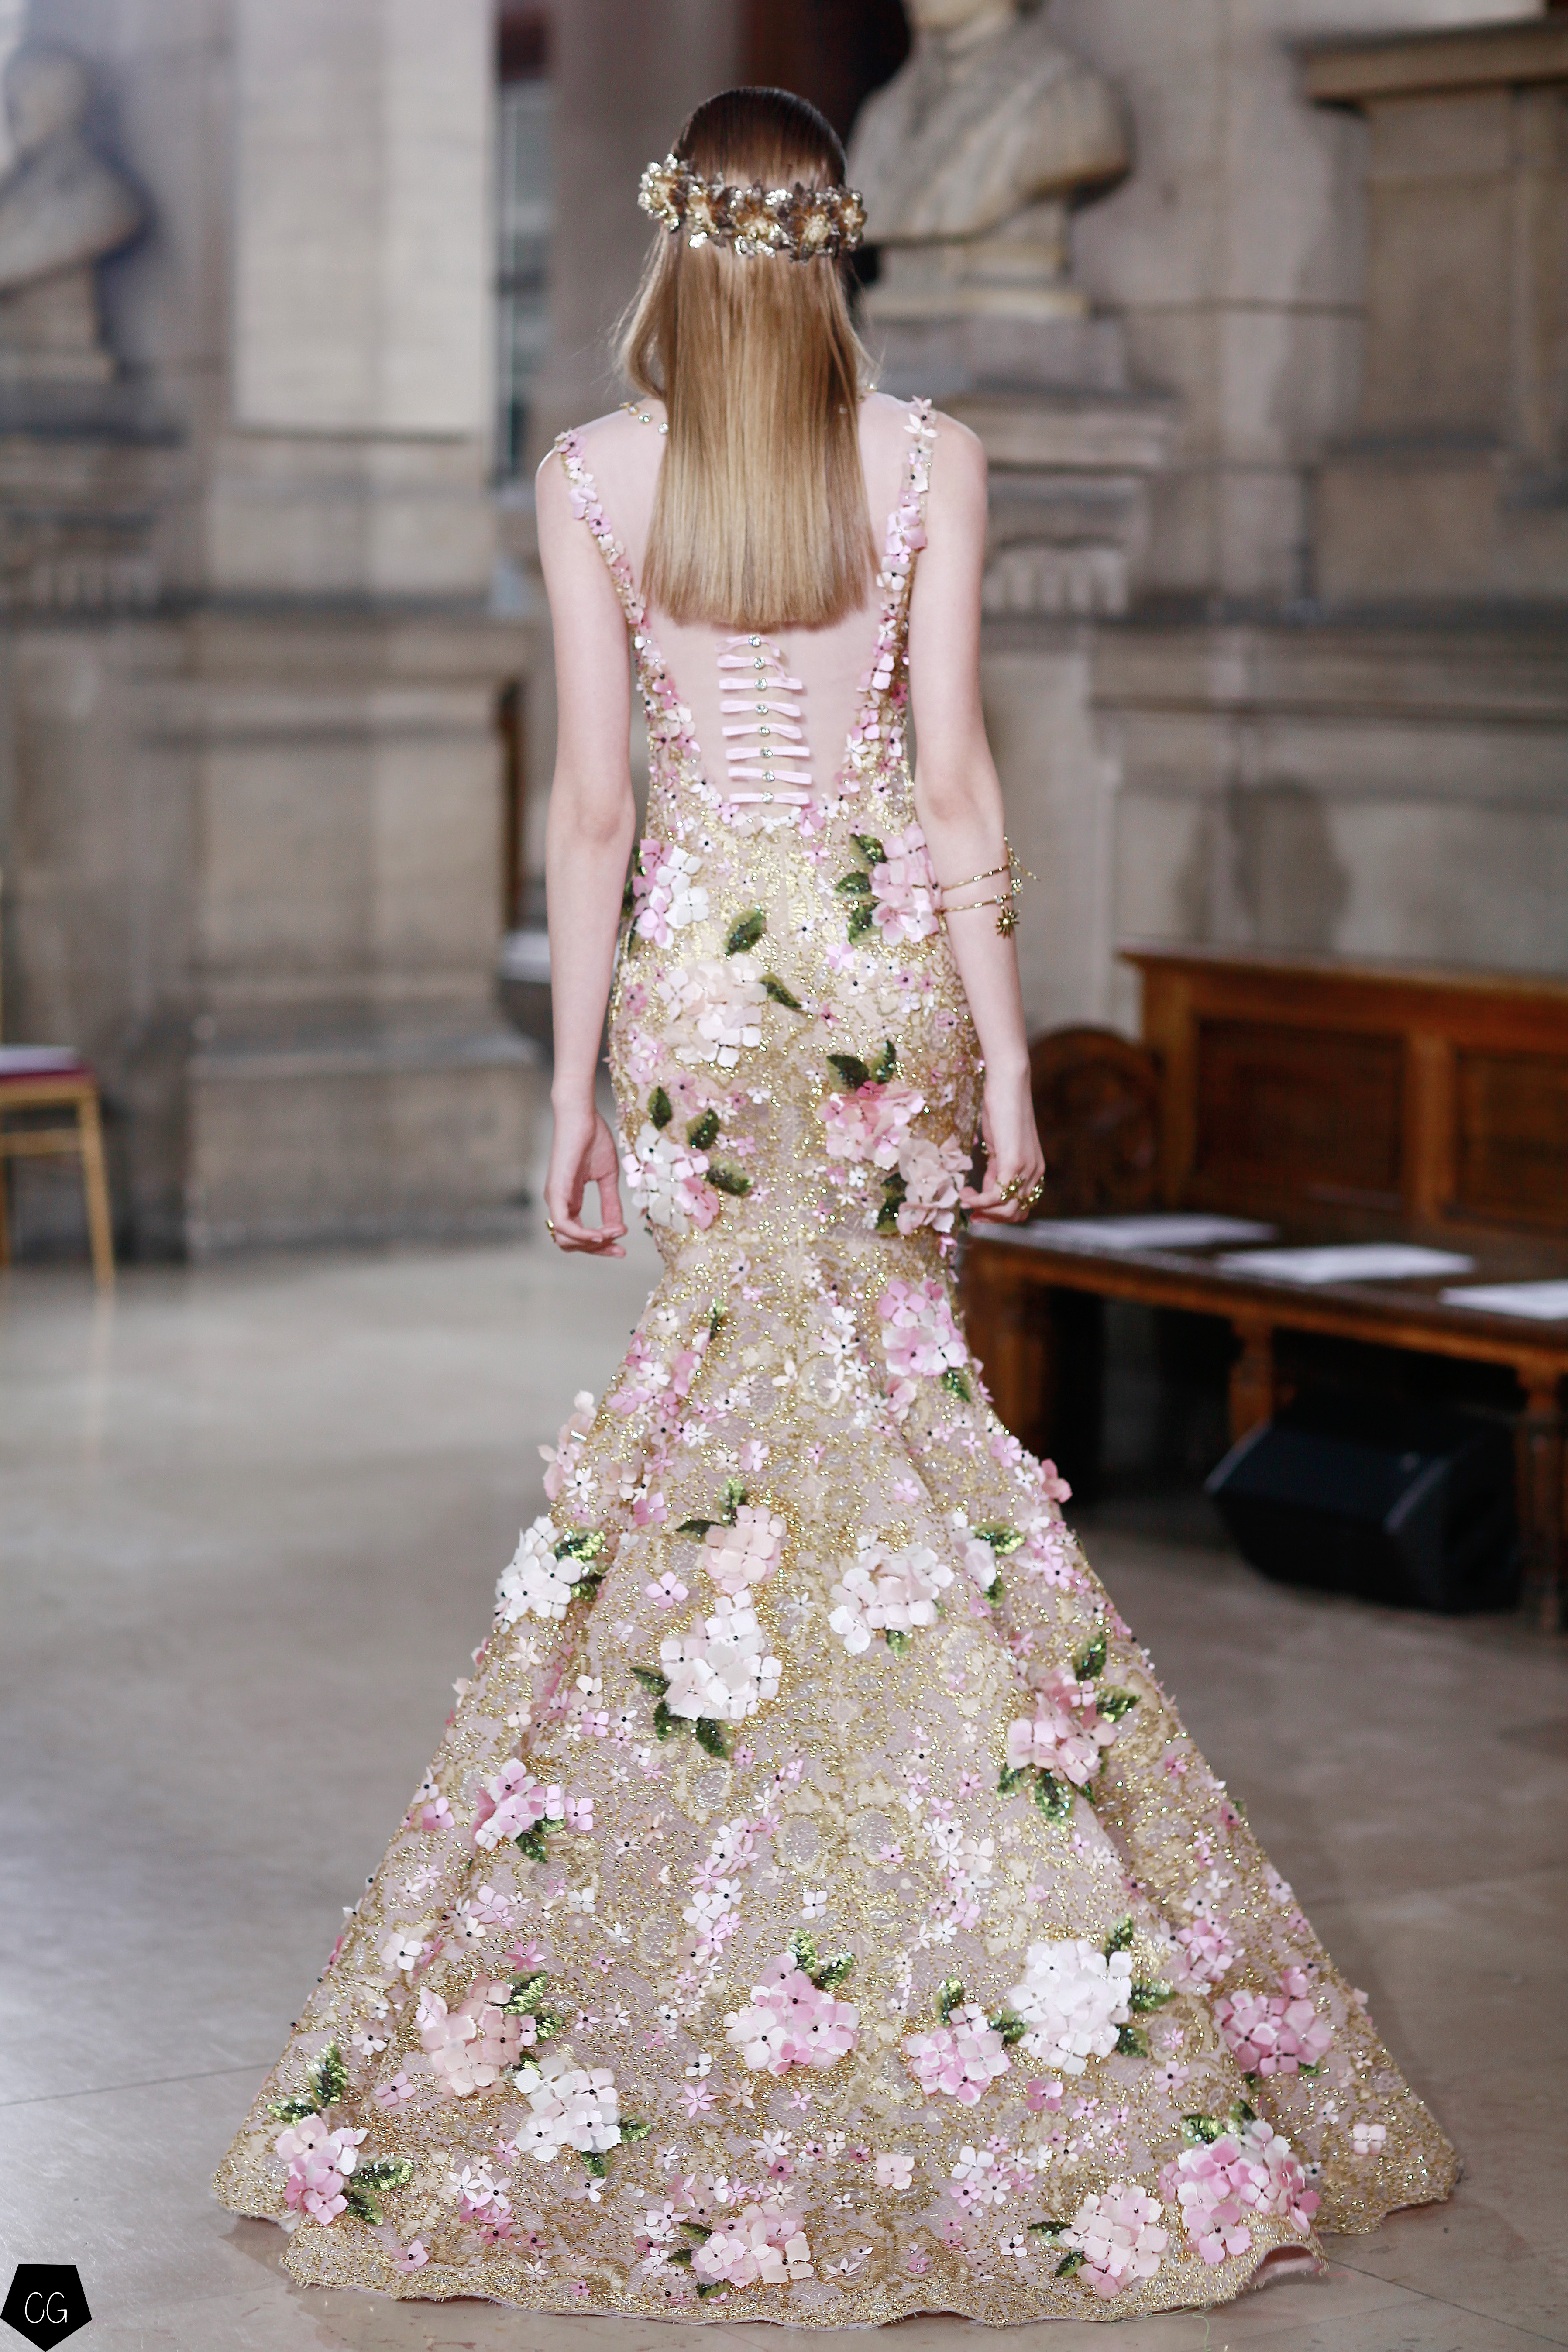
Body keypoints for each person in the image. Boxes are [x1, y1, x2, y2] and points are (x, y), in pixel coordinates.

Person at [214, 89, 1455, 2322]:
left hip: (702, 995)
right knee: (904, 1419)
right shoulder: (931, 461)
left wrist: (571, 1096)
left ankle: (695, 1891)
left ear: (675, 243)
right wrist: (1004, 1052)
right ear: (837, 246)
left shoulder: (591, 476)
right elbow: (956, 779)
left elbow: (593, 816)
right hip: (880, 983)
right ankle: (969, 1900)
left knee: (708, 1434)